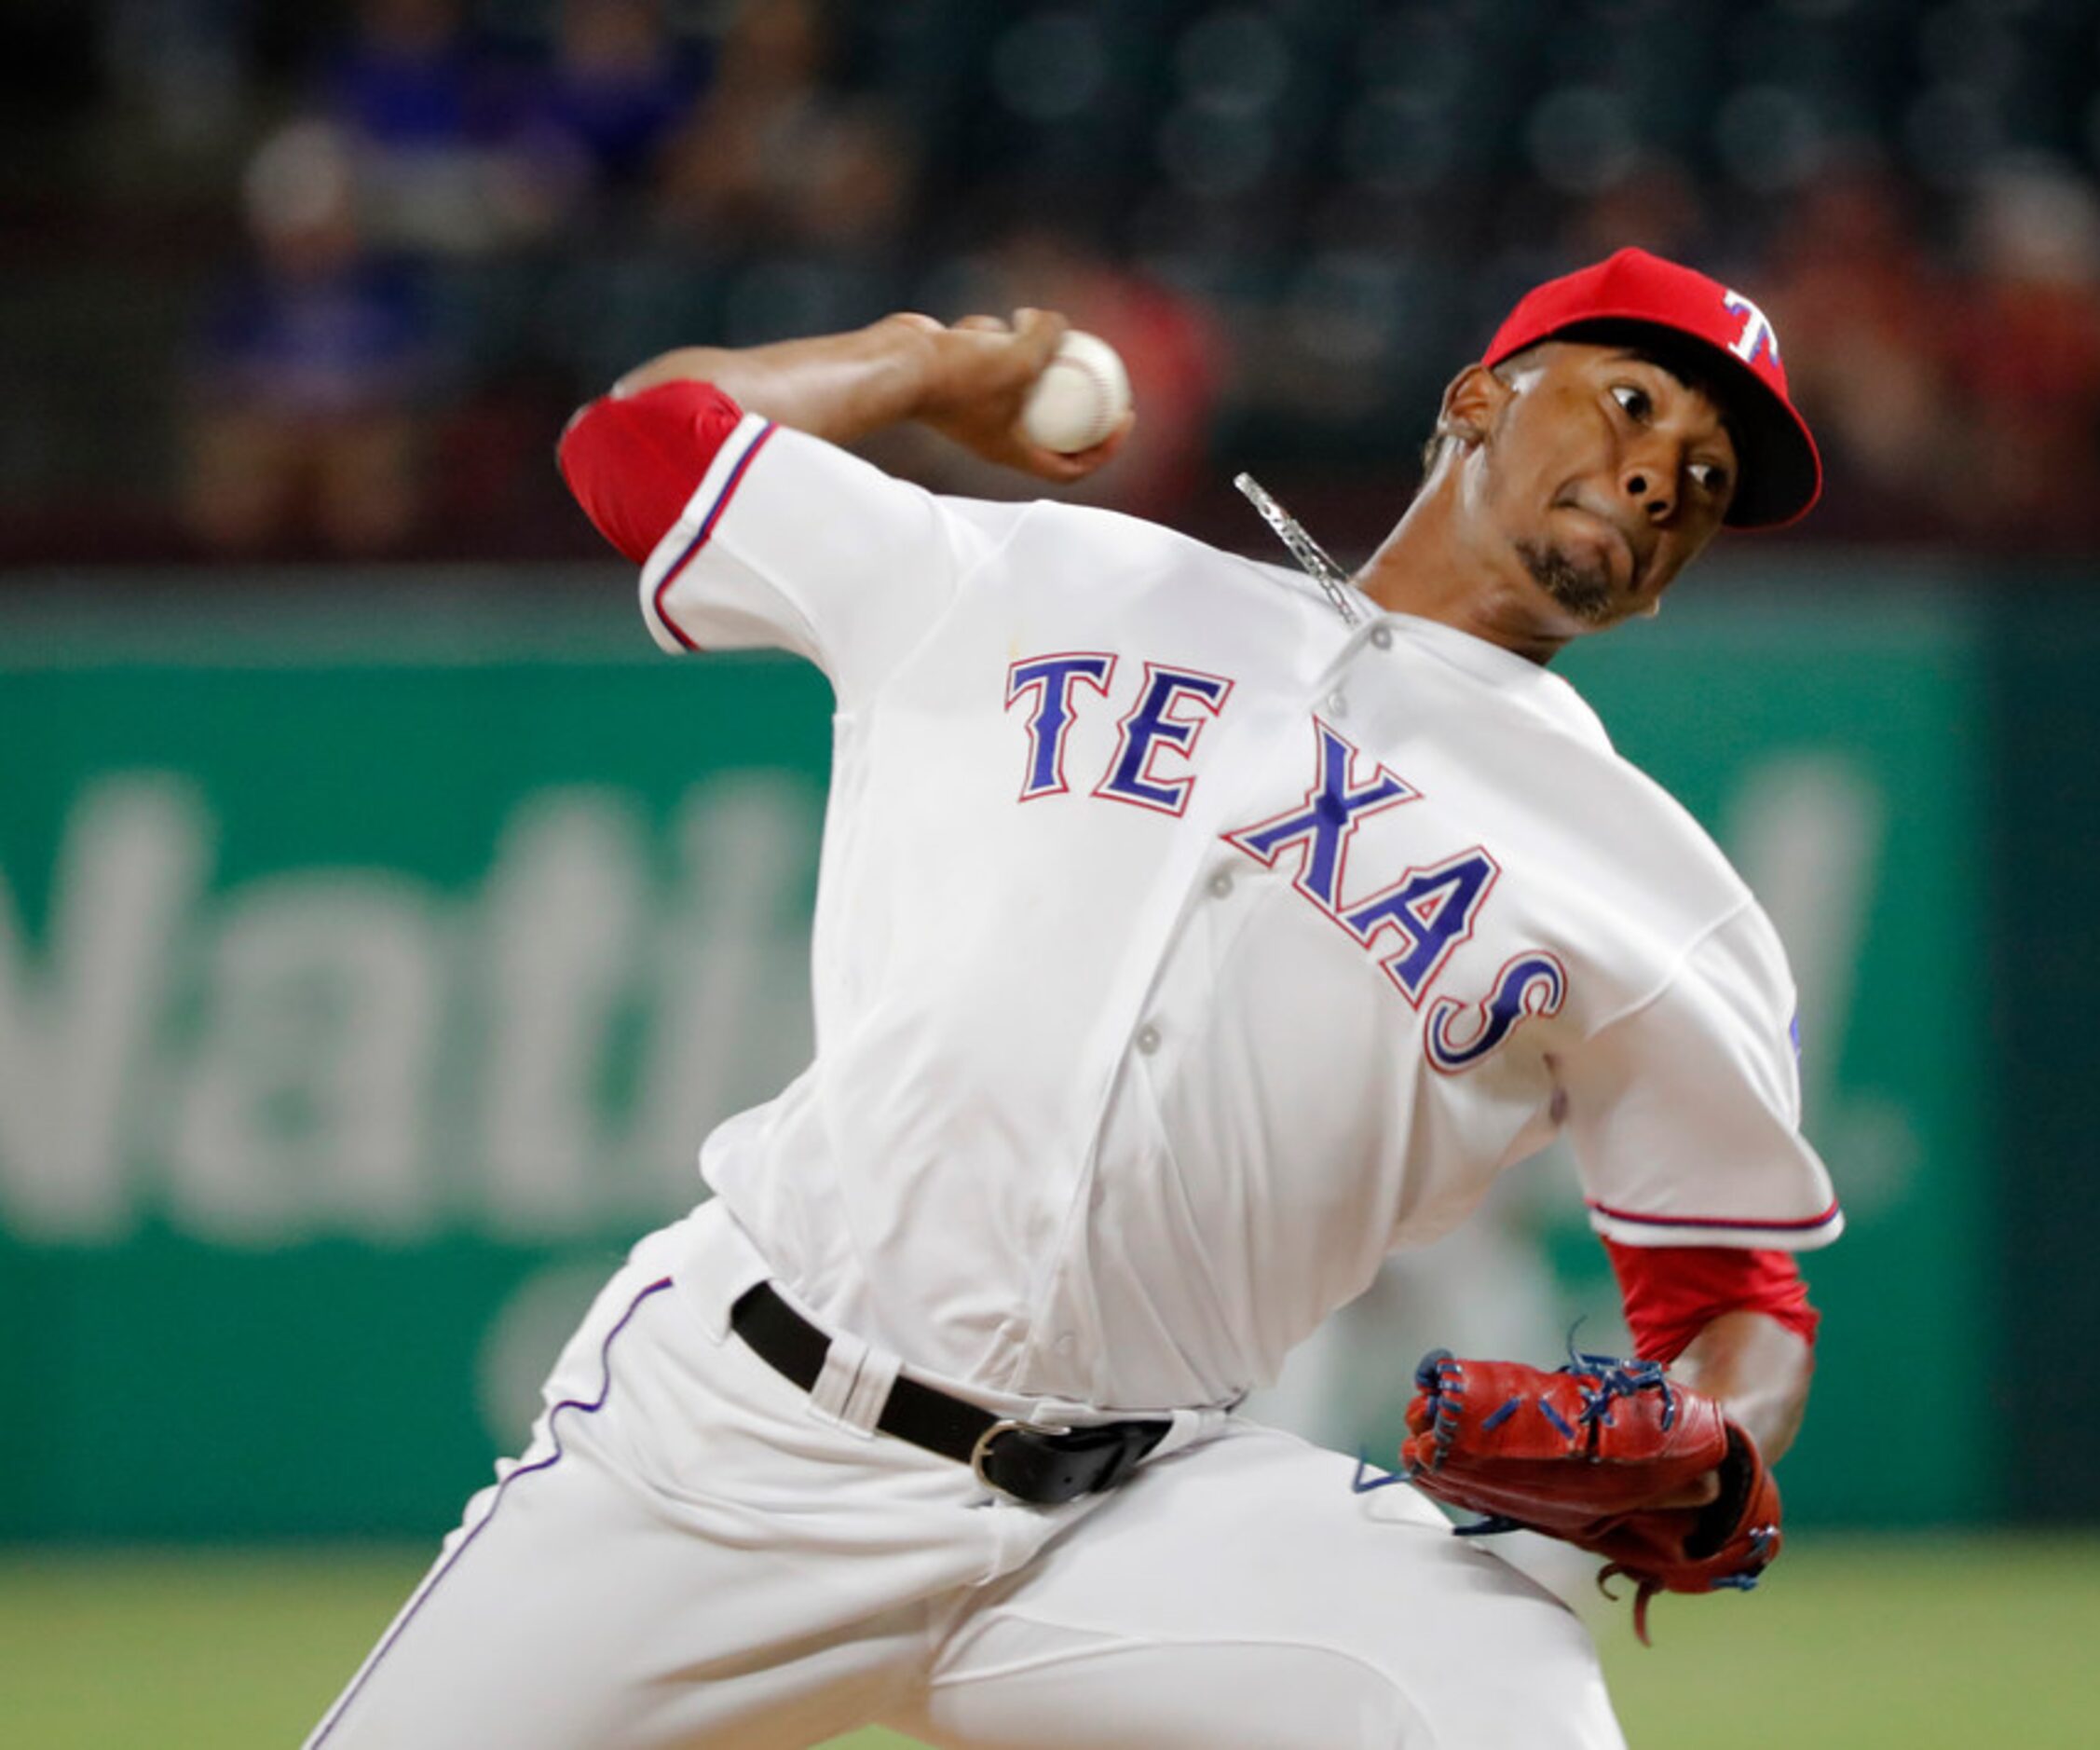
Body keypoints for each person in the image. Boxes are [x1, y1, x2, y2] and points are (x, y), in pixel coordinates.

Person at [307, 245, 1839, 1749]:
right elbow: (641, 443)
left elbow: (1733, 1303)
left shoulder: (1660, 893)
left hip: (1138, 1513)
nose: (1660, 477)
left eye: (1704, 480)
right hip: (736, 1440)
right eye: (1633, 403)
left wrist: (1713, 1447)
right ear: (1478, 397)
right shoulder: (1047, 570)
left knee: (1494, 1686)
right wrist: (927, 366)